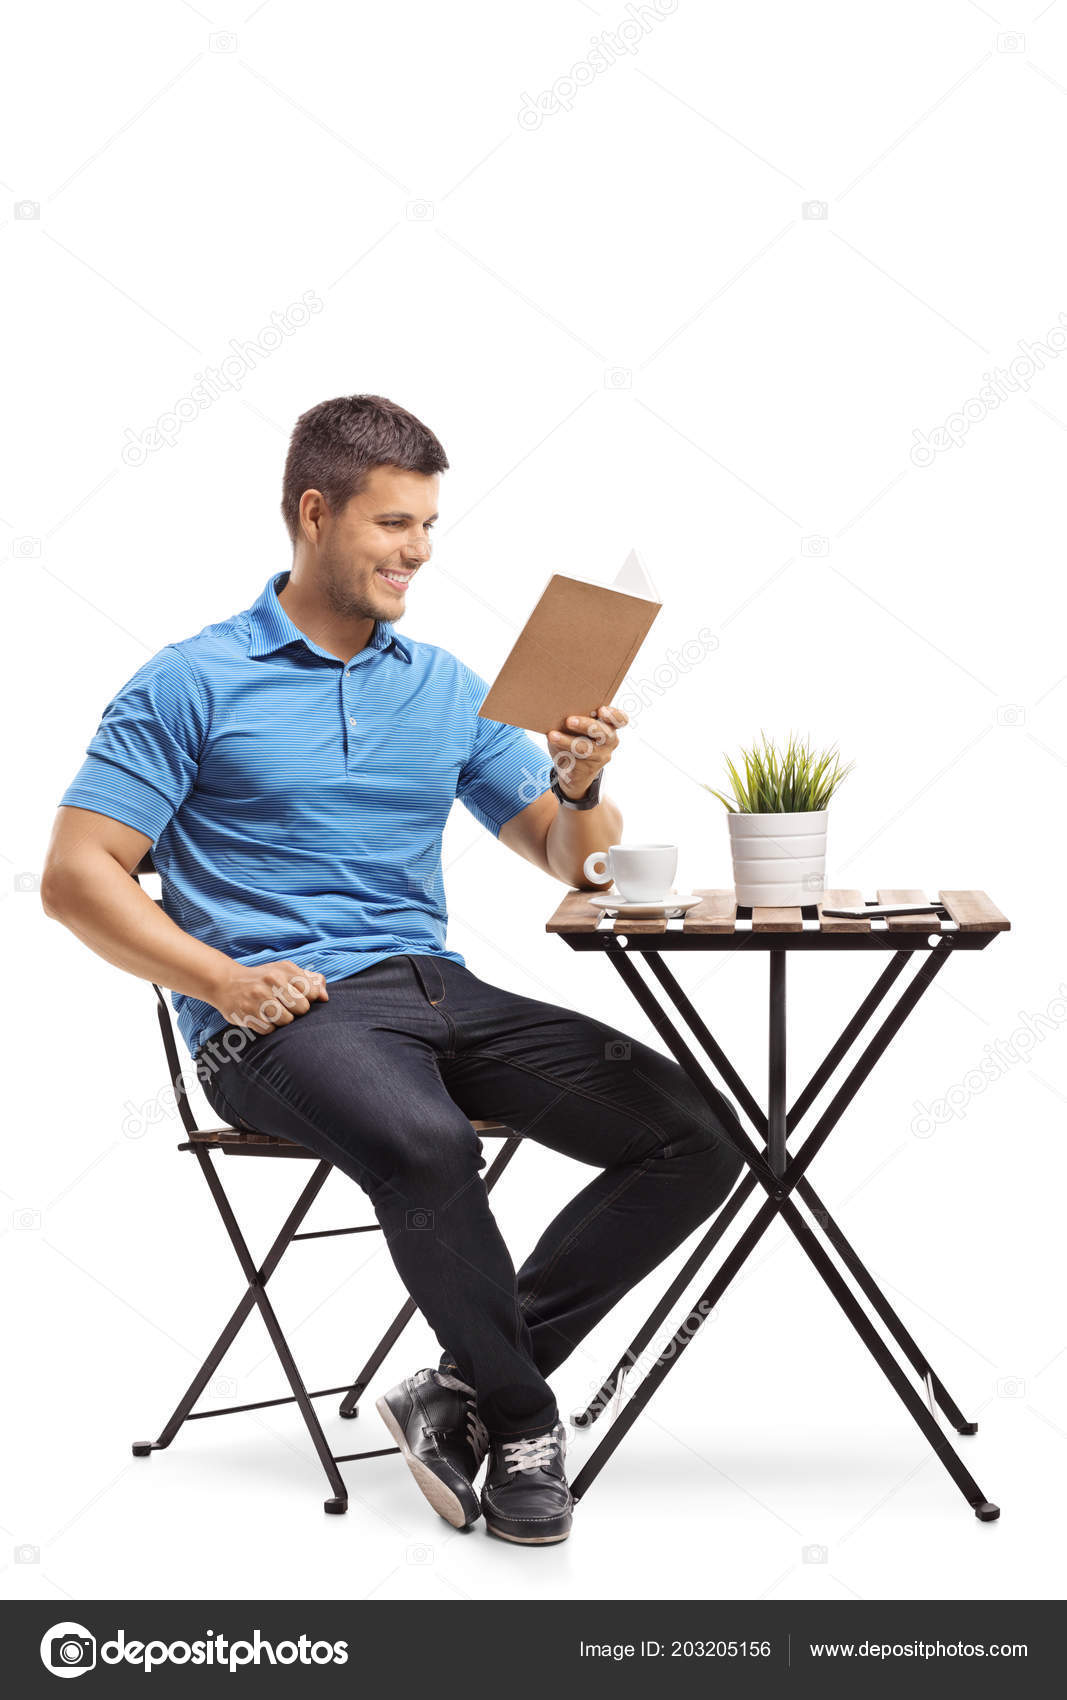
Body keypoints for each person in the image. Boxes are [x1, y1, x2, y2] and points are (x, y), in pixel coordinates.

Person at [41, 393, 744, 1545]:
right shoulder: (190, 680)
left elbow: (568, 859)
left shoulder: (442, 683)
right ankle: (518, 1419)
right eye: (392, 524)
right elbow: (77, 876)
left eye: (428, 525)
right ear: (315, 514)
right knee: (427, 1140)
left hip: (434, 989)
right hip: (274, 1018)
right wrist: (220, 980)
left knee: (696, 1132)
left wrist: (575, 784)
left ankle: (456, 1385)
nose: (418, 550)